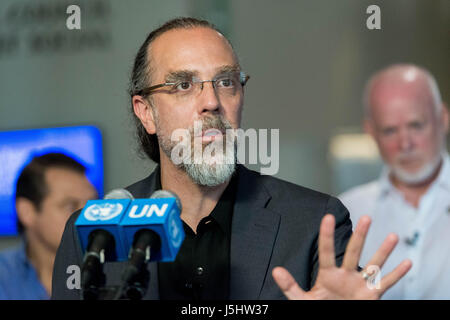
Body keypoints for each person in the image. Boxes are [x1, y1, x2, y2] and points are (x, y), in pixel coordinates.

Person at [51, 17, 411, 300]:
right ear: (145, 112)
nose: (212, 102)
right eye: (183, 85)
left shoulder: (314, 224)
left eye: (225, 82)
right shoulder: (92, 233)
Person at [339, 64, 449, 299]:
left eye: (416, 126)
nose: (405, 144)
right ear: (371, 132)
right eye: (390, 131)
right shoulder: (347, 211)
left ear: (443, 119)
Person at [0, 153, 98, 299]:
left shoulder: (114, 272)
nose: (88, 216)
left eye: (92, 205)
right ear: (27, 212)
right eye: (71, 206)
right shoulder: (4, 276)